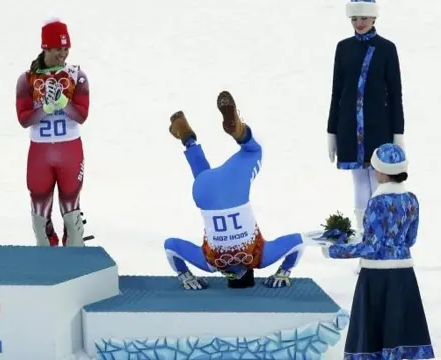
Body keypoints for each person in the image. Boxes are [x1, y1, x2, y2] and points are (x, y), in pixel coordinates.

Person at [164, 90, 311, 290]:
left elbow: (298, 242)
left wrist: (284, 271)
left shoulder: (261, 259)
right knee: (204, 179)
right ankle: (187, 138)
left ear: (251, 271)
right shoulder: (210, 264)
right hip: (203, 192)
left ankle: (239, 131)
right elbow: (170, 246)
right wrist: (185, 275)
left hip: (234, 189)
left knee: (253, 151)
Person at [319, 143, 434, 359]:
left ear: (381, 170)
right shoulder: (411, 200)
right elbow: (410, 239)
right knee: (399, 331)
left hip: (377, 276)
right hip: (404, 275)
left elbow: (370, 247)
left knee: (372, 337)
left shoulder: (377, 202)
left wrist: (333, 250)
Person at [327, 0, 405, 239]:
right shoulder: (343, 48)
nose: (359, 23)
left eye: (363, 18)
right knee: (359, 181)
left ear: (373, 18)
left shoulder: (386, 49)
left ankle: (381, 237)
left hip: (377, 127)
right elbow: (337, 91)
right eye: (354, 19)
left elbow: (395, 94)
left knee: (378, 181)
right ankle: (364, 238)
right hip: (349, 127)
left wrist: (398, 133)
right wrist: (332, 132)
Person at [15, 19, 91, 247]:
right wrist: (44, 109)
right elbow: (23, 119)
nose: (63, 53)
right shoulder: (26, 79)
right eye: (58, 48)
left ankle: (74, 261)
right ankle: (47, 264)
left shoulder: (77, 75)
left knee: (72, 218)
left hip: (70, 150)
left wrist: (62, 102)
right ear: (45, 47)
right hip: (40, 152)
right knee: (40, 221)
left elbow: (81, 115)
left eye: (66, 48)